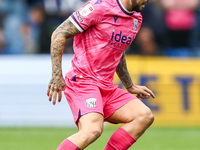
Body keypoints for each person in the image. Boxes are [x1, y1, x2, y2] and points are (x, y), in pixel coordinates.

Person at [47, 0, 155, 149]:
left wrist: (129, 85)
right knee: (92, 130)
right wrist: (56, 75)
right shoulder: (99, 7)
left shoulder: (136, 18)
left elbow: (117, 50)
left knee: (143, 115)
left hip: (107, 87)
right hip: (83, 81)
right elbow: (60, 32)